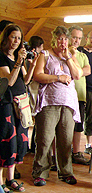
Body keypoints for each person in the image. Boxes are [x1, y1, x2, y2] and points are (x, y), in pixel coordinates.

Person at [32, 26, 83, 186]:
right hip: (49, 102)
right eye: (60, 39)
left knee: (65, 140)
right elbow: (38, 75)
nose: (63, 42)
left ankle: (66, 172)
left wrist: (68, 58)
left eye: (66, 39)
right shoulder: (45, 54)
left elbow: (77, 75)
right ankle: (40, 172)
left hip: (68, 103)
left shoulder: (71, 56)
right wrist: (58, 78)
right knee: (45, 139)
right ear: (54, 39)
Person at [0, 24, 38, 192]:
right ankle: (0, 182)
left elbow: (27, 80)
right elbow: (9, 81)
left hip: (21, 103)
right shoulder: (1, 57)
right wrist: (18, 62)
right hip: (7, 103)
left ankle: (10, 179)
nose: (16, 41)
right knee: (7, 140)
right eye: (13, 37)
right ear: (6, 37)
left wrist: (33, 64)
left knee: (19, 141)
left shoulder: (17, 56)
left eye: (19, 38)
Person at [68, 26, 91, 165]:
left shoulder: (83, 55)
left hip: (80, 96)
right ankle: (62, 154)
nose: (76, 40)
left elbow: (87, 71)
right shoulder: (63, 54)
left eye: (79, 38)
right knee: (64, 127)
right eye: (74, 37)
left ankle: (76, 153)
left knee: (78, 126)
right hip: (65, 97)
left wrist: (77, 67)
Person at [26, 35, 44, 154]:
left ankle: (31, 145)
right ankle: (32, 146)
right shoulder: (31, 58)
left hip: (30, 89)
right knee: (35, 117)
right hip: (32, 89)